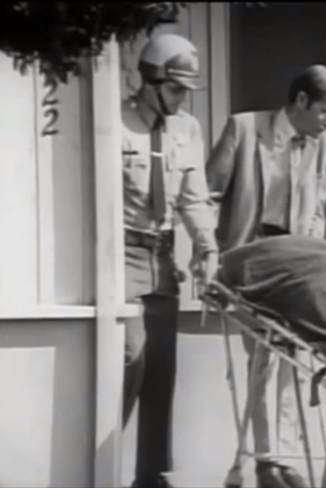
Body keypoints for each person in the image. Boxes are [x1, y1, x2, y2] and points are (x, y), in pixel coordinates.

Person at [205, 64, 326, 487]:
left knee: (295, 357)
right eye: (325, 111)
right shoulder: (245, 129)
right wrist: (208, 257)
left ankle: (279, 459)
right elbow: (208, 195)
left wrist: (315, 254)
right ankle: (268, 460)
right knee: (262, 357)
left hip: (296, 264)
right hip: (250, 263)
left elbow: (318, 206)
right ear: (301, 100)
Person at [122, 33, 218, 488]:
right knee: (131, 359)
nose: (182, 99)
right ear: (151, 81)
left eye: (186, 90)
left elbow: (194, 199)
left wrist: (207, 247)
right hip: (121, 253)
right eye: (176, 88)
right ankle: (102, 465)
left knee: (161, 369)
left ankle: (150, 475)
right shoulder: (116, 124)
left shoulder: (187, 129)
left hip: (163, 255)